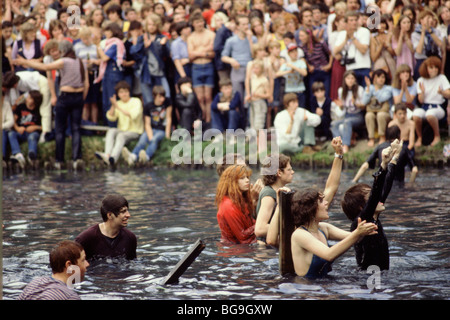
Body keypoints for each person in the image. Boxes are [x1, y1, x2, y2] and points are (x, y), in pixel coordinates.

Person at [14, 40, 89, 170]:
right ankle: (77, 158)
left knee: (60, 129)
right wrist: (82, 98)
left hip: (65, 96)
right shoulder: (81, 61)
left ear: (63, 51)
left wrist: (25, 62)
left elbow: (46, 67)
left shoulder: (64, 61)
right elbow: (86, 83)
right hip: (78, 96)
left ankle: (59, 160)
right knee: (76, 128)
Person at [342, 139, 403, 271]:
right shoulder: (361, 222)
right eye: (371, 197)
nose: (378, 197)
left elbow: (385, 187)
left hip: (379, 278)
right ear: (361, 207)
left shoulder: (373, 216)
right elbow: (376, 193)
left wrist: (394, 158)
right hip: (367, 282)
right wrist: (383, 165)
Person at [18, 240, 89, 300]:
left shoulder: (34, 284)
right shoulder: (70, 297)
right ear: (69, 265)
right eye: (83, 260)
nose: (87, 264)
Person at [95, 81, 144, 166]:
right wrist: (113, 105)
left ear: (129, 92)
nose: (124, 94)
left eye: (126, 92)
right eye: (121, 92)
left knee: (121, 136)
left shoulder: (136, 101)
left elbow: (133, 115)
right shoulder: (118, 103)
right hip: (122, 130)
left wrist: (117, 106)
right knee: (111, 131)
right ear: (118, 94)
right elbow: (110, 117)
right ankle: (107, 155)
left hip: (135, 131)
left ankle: (113, 158)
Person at [75, 194, 137, 261]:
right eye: (123, 212)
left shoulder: (130, 238)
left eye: (127, 211)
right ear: (110, 215)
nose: (128, 215)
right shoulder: (85, 239)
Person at [122, 85, 172, 165]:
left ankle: (146, 157)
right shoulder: (148, 106)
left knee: (155, 140)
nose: (162, 99)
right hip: (151, 129)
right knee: (142, 140)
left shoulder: (167, 103)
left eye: (163, 96)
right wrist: (150, 136)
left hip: (161, 130)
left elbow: (169, 118)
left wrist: (167, 135)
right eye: (159, 97)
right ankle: (133, 156)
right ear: (154, 96)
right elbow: (147, 124)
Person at [352, 124, 418, 184]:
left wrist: (354, 181)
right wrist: (410, 184)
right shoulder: (404, 148)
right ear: (399, 135)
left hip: (382, 184)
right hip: (399, 184)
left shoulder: (380, 147)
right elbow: (414, 170)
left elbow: (365, 166)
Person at [255, 153, 294, 243]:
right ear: (279, 172)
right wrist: (291, 228)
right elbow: (260, 229)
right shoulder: (269, 194)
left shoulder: (277, 191)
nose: (292, 172)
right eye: (289, 169)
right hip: (267, 249)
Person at [216, 164, 257, 244]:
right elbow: (243, 237)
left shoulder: (240, 200)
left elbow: (251, 223)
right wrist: (261, 225)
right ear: (232, 182)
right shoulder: (228, 205)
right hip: (233, 251)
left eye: (247, 177)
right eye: (242, 178)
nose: (247, 180)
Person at [414, 56, 450, 147]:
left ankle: (437, 136)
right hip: (425, 106)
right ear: (426, 69)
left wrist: (441, 92)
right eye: (431, 67)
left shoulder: (442, 78)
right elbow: (421, 100)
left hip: (438, 107)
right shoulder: (421, 80)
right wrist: (422, 92)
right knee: (416, 114)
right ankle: (419, 137)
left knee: (430, 115)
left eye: (436, 67)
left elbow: (448, 94)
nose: (434, 70)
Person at [187, 12, 216, 125]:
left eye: (201, 21)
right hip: (196, 67)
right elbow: (191, 55)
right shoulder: (191, 37)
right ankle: (202, 120)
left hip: (208, 66)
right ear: (193, 23)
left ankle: (209, 120)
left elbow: (212, 52)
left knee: (208, 97)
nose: (200, 24)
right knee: (199, 98)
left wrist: (197, 51)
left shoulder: (211, 34)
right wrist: (205, 50)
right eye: (197, 22)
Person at [95, 22, 126, 126]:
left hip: (113, 74)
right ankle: (108, 125)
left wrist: (98, 46)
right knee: (105, 100)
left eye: (108, 30)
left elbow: (104, 58)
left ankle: (113, 126)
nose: (106, 33)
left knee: (111, 100)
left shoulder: (116, 43)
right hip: (107, 73)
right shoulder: (108, 43)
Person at [333, 11, 371, 88]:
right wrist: (345, 40)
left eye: (355, 20)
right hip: (350, 68)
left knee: (365, 92)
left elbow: (363, 50)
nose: (354, 22)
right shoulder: (342, 34)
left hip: (364, 66)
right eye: (351, 20)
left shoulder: (364, 31)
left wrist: (352, 38)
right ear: (346, 22)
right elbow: (335, 51)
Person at [331, 70, 365, 153]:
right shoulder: (341, 90)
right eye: (348, 78)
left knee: (347, 122)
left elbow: (364, 107)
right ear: (344, 80)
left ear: (355, 80)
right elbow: (343, 110)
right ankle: (339, 144)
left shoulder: (359, 89)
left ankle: (346, 146)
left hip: (358, 115)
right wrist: (341, 106)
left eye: (352, 78)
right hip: (347, 115)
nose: (350, 80)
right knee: (333, 124)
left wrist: (356, 104)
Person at [9, 90, 42, 169]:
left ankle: (32, 155)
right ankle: (17, 153)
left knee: (32, 137)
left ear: (35, 101)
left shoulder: (39, 110)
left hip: (33, 132)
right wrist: (17, 128)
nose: (27, 99)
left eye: (30, 98)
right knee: (11, 134)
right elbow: (13, 120)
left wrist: (35, 127)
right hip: (21, 131)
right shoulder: (21, 107)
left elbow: (45, 126)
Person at [362, 69, 393, 147]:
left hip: (385, 112)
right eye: (378, 77)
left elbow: (382, 98)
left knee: (380, 115)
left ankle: (382, 137)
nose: (381, 79)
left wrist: (375, 89)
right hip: (372, 111)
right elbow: (364, 102)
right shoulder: (370, 87)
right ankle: (371, 138)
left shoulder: (388, 88)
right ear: (374, 78)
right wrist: (368, 89)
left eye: (382, 77)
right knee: (369, 115)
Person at [276, 43, 308, 108]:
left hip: (299, 90)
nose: (294, 53)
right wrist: (289, 71)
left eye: (295, 51)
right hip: (289, 90)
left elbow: (305, 73)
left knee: (301, 108)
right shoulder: (286, 64)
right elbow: (277, 74)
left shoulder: (301, 62)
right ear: (289, 54)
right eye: (292, 52)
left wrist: (294, 67)